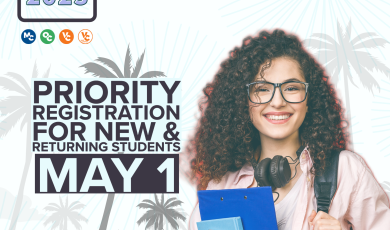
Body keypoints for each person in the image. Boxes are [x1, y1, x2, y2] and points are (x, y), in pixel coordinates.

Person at [187, 29, 390, 230]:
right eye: (262, 89)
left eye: (291, 88)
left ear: (310, 99)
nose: (277, 102)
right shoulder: (222, 185)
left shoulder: (346, 170)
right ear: (244, 101)